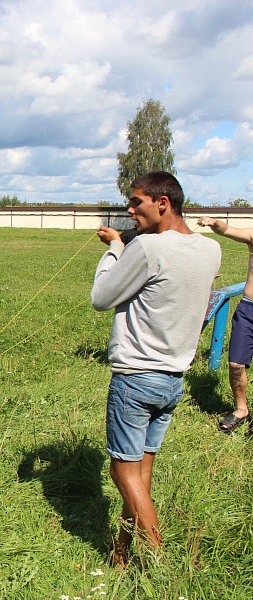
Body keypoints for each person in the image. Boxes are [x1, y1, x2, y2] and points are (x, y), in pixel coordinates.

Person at [91, 171, 221, 566]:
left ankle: (157, 562)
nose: (130, 210)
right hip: (173, 381)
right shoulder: (211, 249)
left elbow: (101, 297)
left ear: (162, 203)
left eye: (136, 202)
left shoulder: (146, 247)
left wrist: (115, 248)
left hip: (135, 378)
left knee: (122, 472)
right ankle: (121, 553)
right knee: (140, 475)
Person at [197, 216, 253, 432]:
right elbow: (227, 230)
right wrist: (213, 222)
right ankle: (241, 410)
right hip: (248, 309)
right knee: (236, 364)